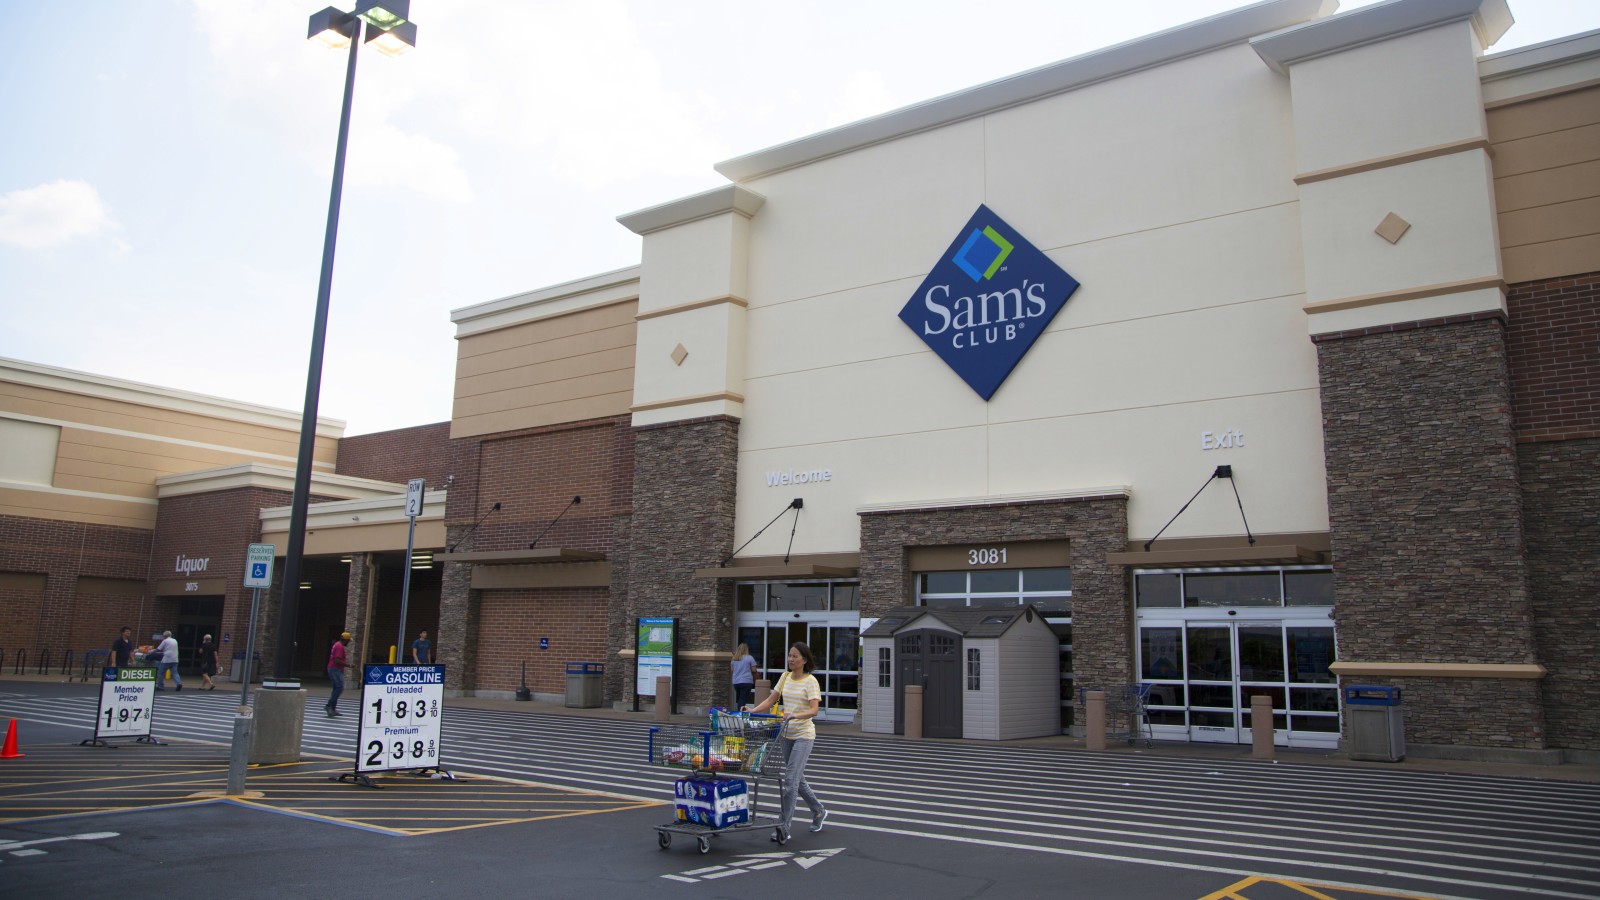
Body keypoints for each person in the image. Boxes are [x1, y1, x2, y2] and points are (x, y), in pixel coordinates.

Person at [744, 641, 827, 838]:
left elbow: (814, 710)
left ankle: (784, 826)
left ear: (804, 660)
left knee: (790, 780)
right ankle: (818, 810)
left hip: (803, 735)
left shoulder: (811, 681)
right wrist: (753, 710)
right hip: (785, 734)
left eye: (795, 656)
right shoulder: (785, 677)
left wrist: (795, 715)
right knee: (796, 779)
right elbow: (772, 699)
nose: (790, 659)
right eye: (789, 655)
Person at [325, 632, 352, 717]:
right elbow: (337, 660)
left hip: (334, 669)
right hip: (335, 669)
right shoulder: (339, 646)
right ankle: (329, 706)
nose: (348, 642)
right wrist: (349, 665)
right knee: (339, 687)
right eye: (348, 641)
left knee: (336, 688)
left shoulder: (337, 644)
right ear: (345, 640)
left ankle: (333, 708)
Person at [730, 642, 756, 709]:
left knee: (740, 698)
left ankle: (741, 710)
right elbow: (754, 670)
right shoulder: (750, 658)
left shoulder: (734, 658)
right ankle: (740, 713)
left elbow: (732, 670)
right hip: (746, 681)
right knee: (743, 699)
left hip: (736, 682)